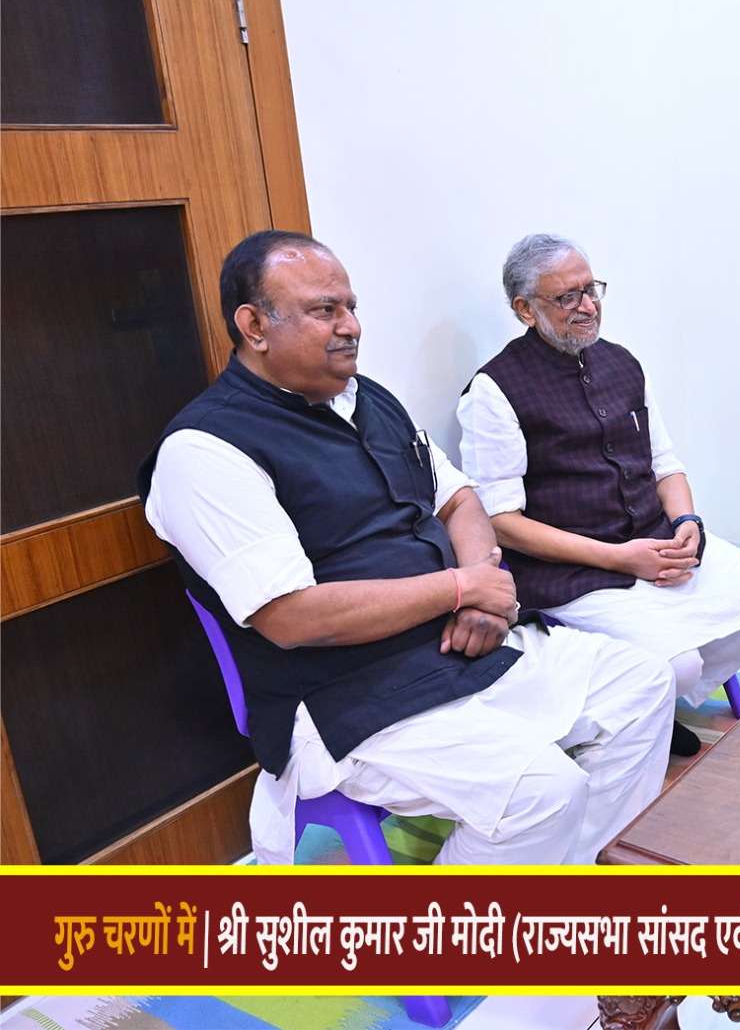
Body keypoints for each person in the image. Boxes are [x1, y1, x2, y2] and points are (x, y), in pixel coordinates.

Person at [140, 231, 675, 865]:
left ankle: (567, 881)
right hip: (352, 695)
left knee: (645, 684)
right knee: (543, 792)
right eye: (324, 311)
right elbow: (291, 617)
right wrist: (460, 588)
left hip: (461, 645)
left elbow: (461, 500)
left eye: (351, 307)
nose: (351, 327)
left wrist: (483, 596)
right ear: (254, 326)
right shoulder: (205, 449)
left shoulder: (368, 399)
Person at [457, 234, 740, 756]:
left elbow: (666, 465)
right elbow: (501, 522)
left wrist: (687, 524)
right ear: (525, 310)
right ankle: (649, 703)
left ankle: (652, 704)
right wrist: (619, 558)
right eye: (567, 297)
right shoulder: (493, 390)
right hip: (575, 571)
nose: (588, 306)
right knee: (678, 663)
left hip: (656, 542)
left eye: (591, 289)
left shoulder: (621, 363)